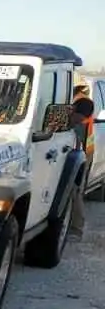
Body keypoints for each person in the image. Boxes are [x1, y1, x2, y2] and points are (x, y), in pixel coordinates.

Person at [69, 83, 95, 238]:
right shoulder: (78, 102)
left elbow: (76, 120)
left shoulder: (84, 103)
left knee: (76, 188)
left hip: (83, 151)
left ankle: (76, 227)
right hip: (78, 148)